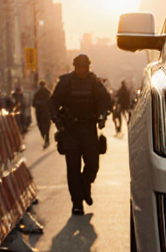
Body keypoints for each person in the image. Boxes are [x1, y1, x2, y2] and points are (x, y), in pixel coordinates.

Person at [50, 53, 111, 215]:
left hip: (89, 129)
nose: (82, 71)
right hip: (71, 131)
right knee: (72, 168)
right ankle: (77, 203)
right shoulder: (65, 82)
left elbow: (105, 101)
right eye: (79, 68)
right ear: (75, 67)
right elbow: (54, 103)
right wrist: (59, 123)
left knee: (93, 165)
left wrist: (103, 115)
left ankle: (85, 183)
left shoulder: (94, 82)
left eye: (84, 68)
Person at [31, 79, 53, 149]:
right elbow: (52, 102)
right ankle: (47, 138)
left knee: (41, 125)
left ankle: (44, 137)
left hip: (39, 112)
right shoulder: (48, 92)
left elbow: (33, 104)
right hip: (46, 112)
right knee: (47, 125)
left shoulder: (37, 93)